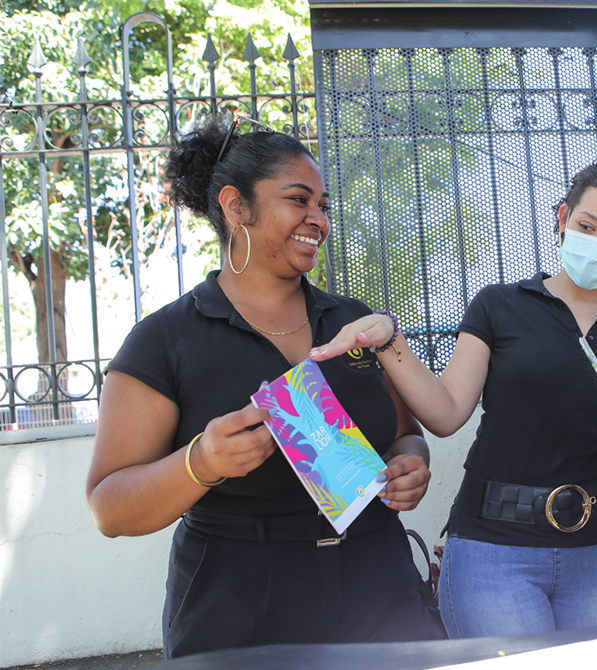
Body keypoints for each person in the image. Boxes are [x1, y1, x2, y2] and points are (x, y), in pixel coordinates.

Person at [85, 116, 445, 659]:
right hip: (239, 603)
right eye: (299, 200)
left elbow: (403, 433)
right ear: (235, 206)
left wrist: (409, 462)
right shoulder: (164, 339)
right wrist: (200, 463)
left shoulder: (353, 322)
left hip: (379, 587)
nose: (318, 220)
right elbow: (110, 507)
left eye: (323, 205)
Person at [311, 156, 597, 637]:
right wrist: (387, 341)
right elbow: (445, 413)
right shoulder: (499, 305)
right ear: (563, 218)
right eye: (587, 225)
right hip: (493, 551)